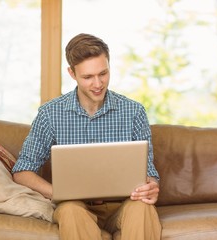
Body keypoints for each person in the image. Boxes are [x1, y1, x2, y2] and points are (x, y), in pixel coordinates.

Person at [11, 33, 162, 240]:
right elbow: (22, 171)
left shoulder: (134, 111)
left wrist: (151, 186)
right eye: (88, 77)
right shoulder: (50, 113)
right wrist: (58, 193)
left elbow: (149, 172)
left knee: (142, 208)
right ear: (72, 73)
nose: (98, 83)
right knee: (71, 210)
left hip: (123, 204)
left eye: (103, 73)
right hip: (76, 207)